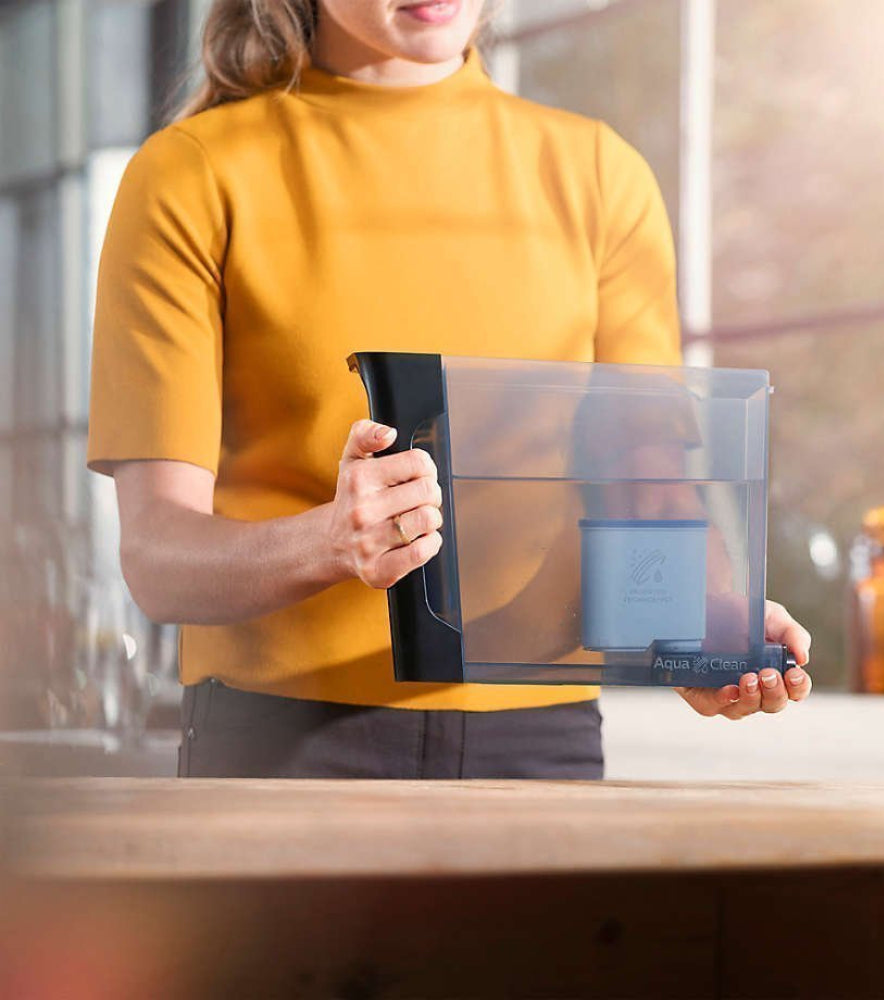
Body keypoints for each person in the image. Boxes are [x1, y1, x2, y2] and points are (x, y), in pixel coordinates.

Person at [86, 0, 813, 780]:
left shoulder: (602, 175)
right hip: (280, 748)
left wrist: (701, 629)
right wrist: (327, 543)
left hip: (543, 746)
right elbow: (157, 558)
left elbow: (652, 496)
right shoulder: (191, 173)